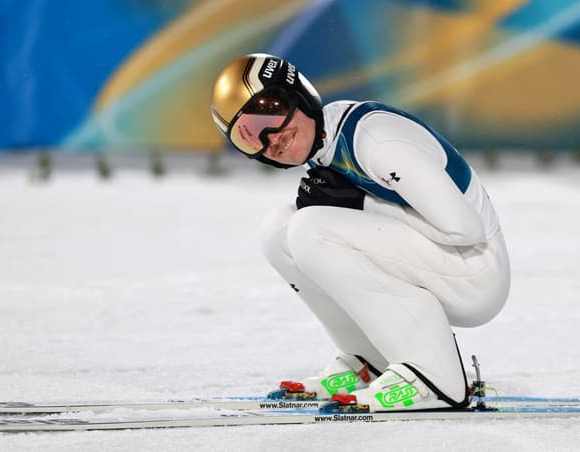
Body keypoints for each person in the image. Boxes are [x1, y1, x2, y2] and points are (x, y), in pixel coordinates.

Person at [210, 53, 510, 412]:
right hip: (440, 262)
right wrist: (353, 203)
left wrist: (359, 204)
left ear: (298, 94)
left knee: (312, 229)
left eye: (270, 113)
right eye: (250, 137)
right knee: (277, 232)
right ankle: (370, 361)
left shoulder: (374, 139)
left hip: (474, 272)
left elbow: (464, 228)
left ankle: (435, 377)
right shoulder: (327, 141)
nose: (271, 138)